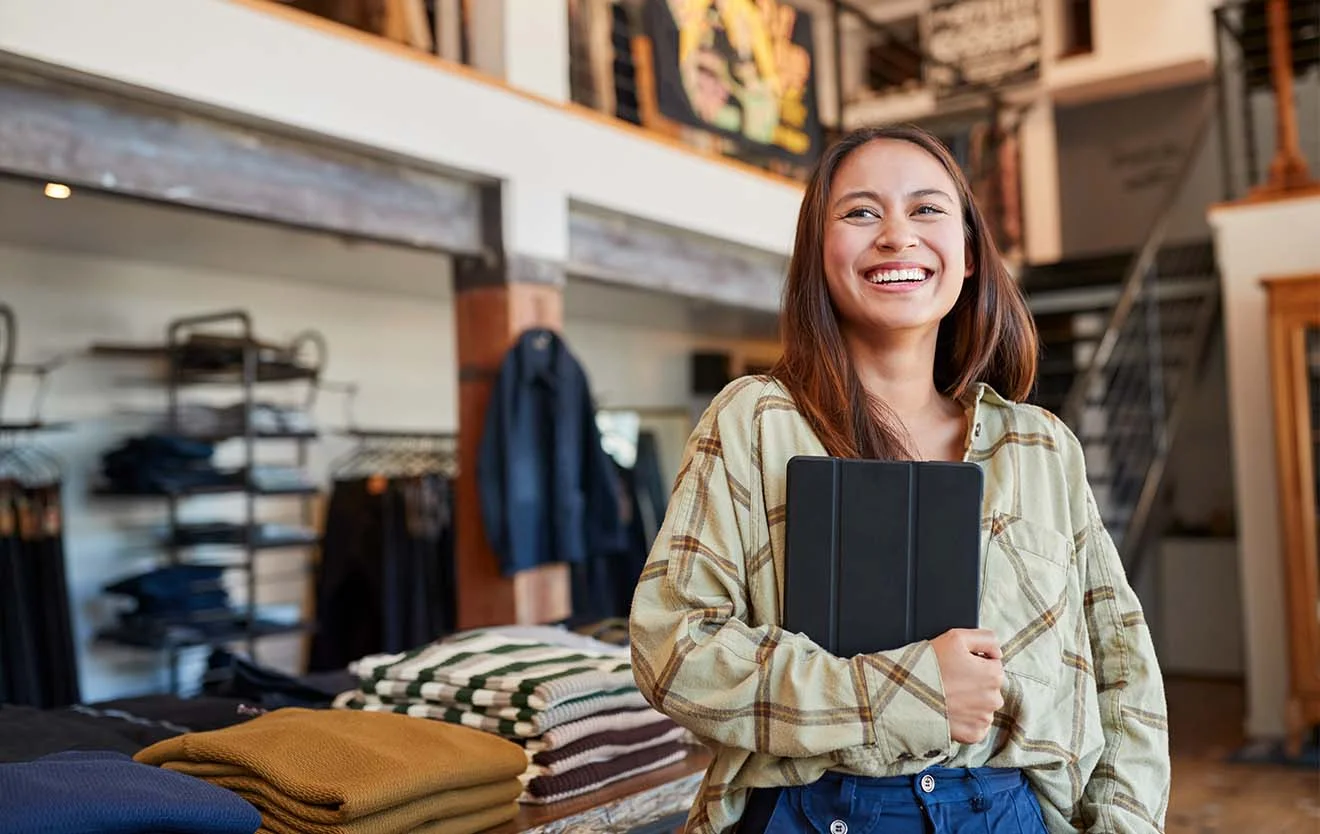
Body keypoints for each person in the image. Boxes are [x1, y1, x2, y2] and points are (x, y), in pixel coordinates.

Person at [628, 125, 1170, 834]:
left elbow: (1124, 675)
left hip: (1008, 813)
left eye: (926, 210)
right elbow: (672, 646)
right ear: (818, 255)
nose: (896, 235)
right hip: (815, 812)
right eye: (860, 212)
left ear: (970, 253)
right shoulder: (753, 422)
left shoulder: (1042, 447)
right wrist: (900, 693)